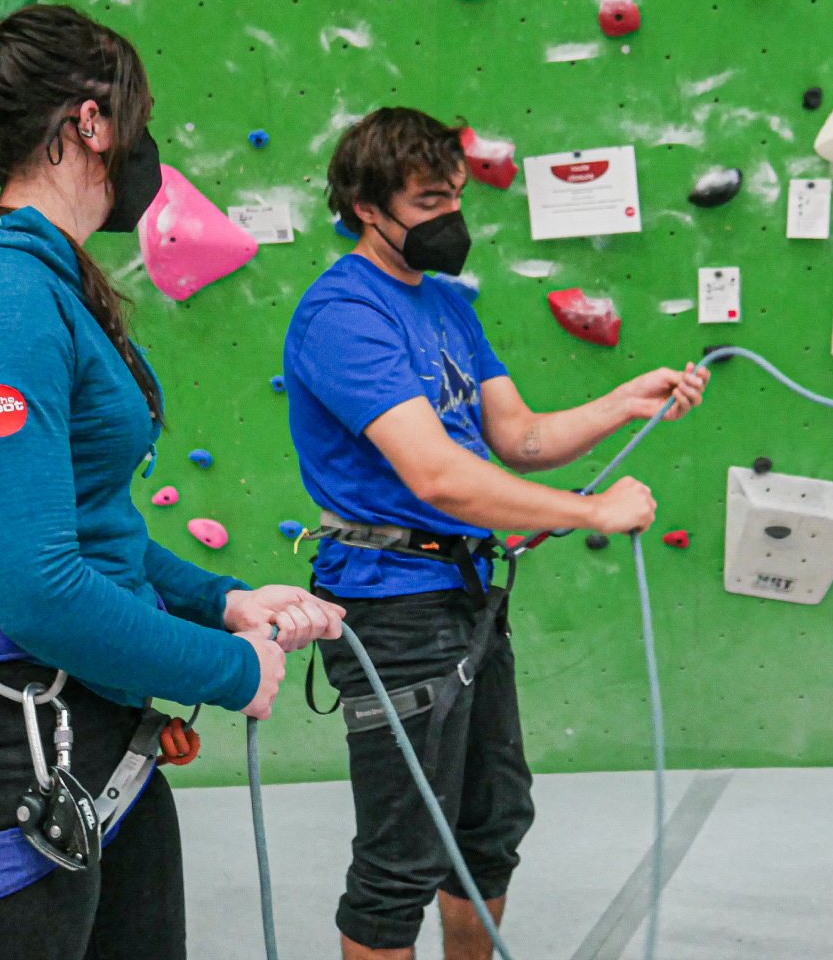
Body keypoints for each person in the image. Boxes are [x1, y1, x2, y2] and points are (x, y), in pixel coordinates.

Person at [0, 4, 344, 960]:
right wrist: (230, 672)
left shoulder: (44, 282)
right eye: (137, 118)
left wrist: (221, 601)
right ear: (90, 123)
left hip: (89, 726)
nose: (149, 145)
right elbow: (35, 585)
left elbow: (85, 528)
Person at [283, 106, 710, 960]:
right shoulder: (342, 314)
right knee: (402, 855)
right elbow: (437, 475)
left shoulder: (445, 304)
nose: (451, 218)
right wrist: (591, 512)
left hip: (465, 598)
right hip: (392, 608)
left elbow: (517, 439)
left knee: (489, 825)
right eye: (428, 200)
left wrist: (622, 400)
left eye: (455, 196)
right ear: (368, 207)